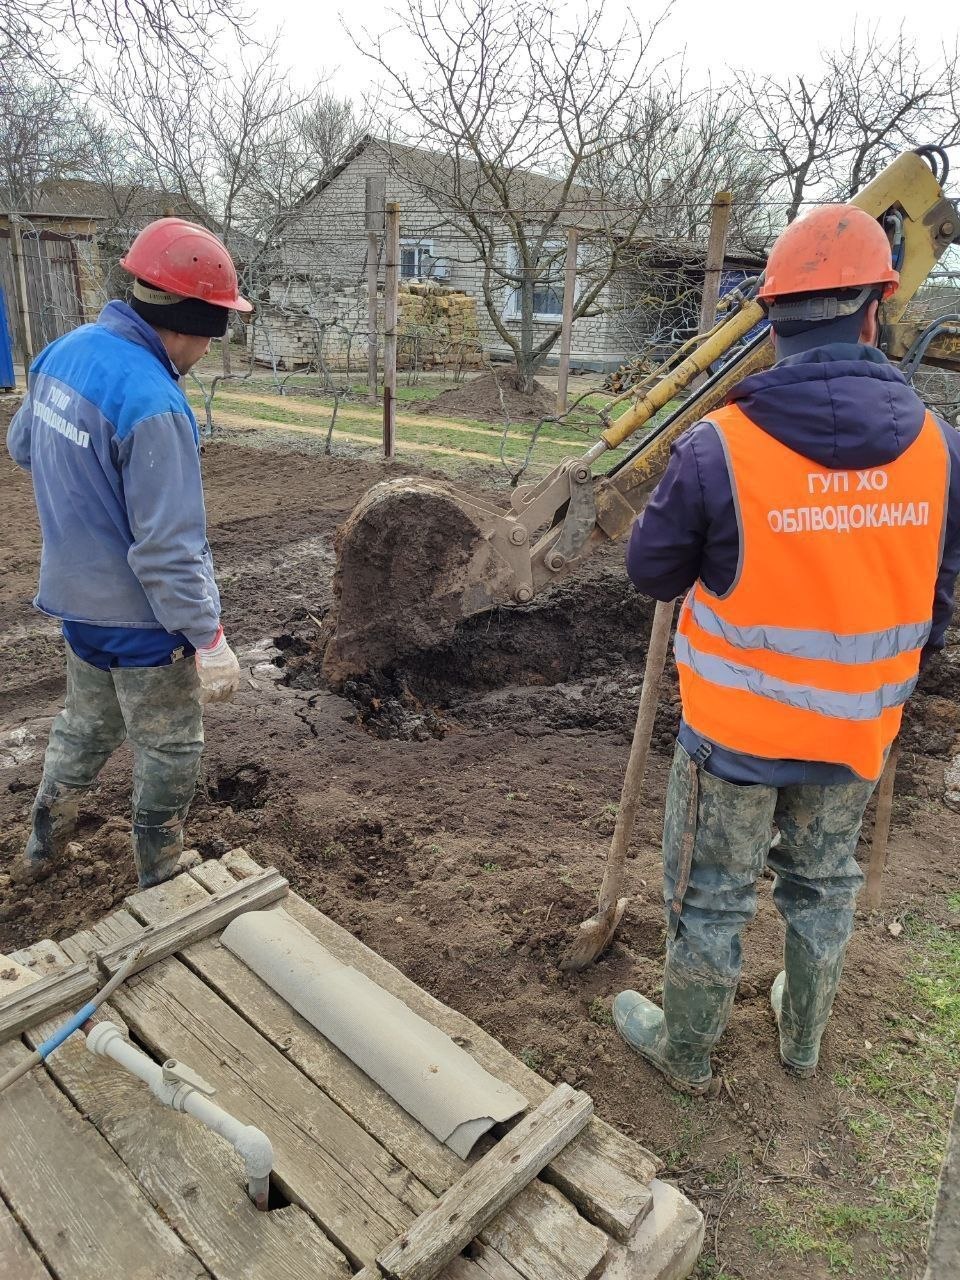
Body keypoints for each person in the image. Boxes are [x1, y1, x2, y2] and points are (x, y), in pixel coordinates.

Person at [613, 205, 960, 1093]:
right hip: (856, 737)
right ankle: (802, 1038)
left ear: (771, 319)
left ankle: (686, 1052)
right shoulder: (941, 452)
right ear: (876, 310)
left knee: (711, 894)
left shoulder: (717, 447)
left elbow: (650, 573)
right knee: (822, 885)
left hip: (733, 740)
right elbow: (939, 600)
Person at [6, 217, 253, 890]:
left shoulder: (64, 351)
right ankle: (162, 878)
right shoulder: (154, 403)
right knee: (170, 745)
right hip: (143, 623)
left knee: (84, 727)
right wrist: (209, 638)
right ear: (198, 320)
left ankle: (41, 849)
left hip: (74, 603)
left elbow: (23, 446)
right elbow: (169, 551)